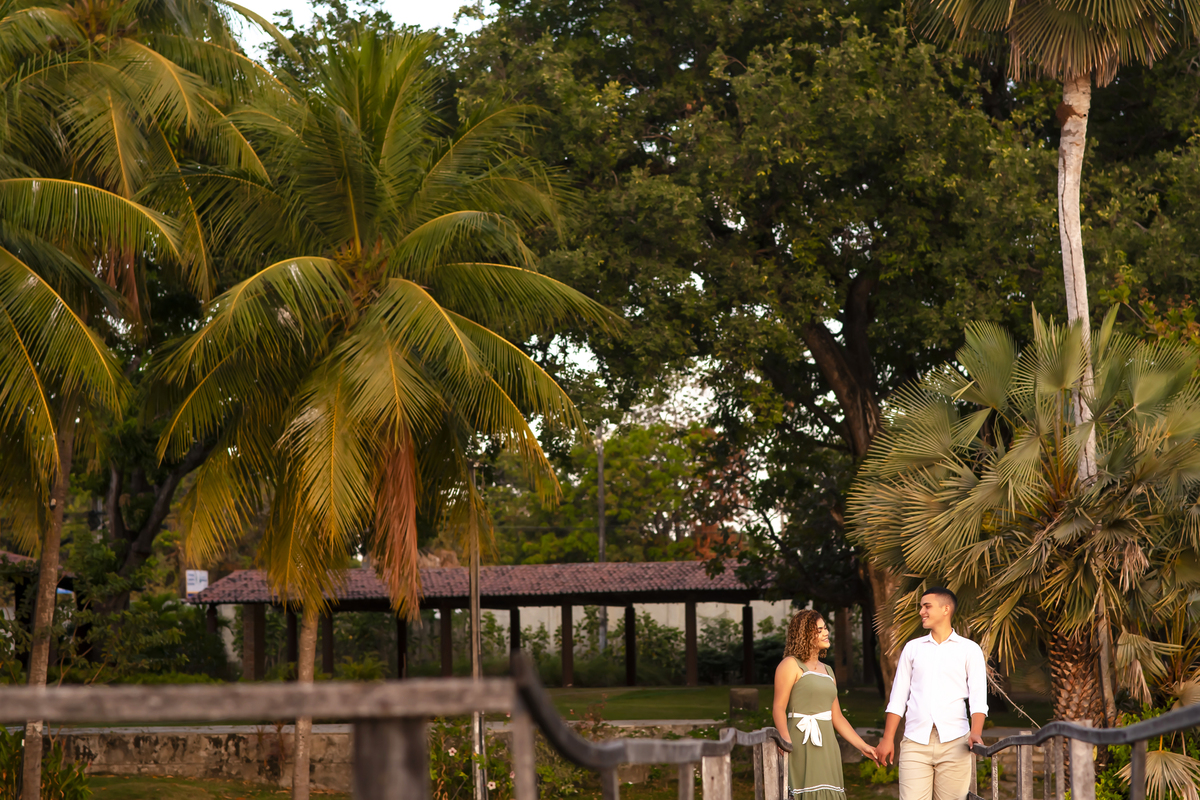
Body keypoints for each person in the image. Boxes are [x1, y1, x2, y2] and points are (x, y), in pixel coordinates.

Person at [875, 587, 988, 800]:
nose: (921, 612)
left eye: (927, 606)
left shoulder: (969, 649)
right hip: (915, 742)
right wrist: (887, 739)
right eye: (921, 607)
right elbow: (898, 698)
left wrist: (976, 732)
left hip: (956, 742)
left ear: (946, 609)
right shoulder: (912, 648)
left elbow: (978, 699)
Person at [773, 610, 880, 798]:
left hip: (827, 744)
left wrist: (863, 746)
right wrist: (784, 740)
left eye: (825, 628)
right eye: (819, 629)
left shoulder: (828, 670)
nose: (826, 632)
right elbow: (778, 708)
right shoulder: (790, 664)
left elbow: (837, 717)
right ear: (805, 634)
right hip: (799, 742)